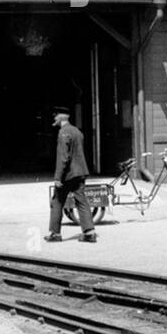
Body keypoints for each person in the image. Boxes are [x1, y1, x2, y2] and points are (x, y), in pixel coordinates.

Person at [45, 105, 97, 244]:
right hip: (80, 173)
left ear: (60, 117)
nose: (54, 119)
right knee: (82, 201)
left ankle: (55, 234)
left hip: (68, 175)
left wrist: (57, 177)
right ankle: (89, 232)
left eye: (55, 117)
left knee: (56, 201)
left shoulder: (63, 133)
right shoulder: (77, 132)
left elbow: (63, 157)